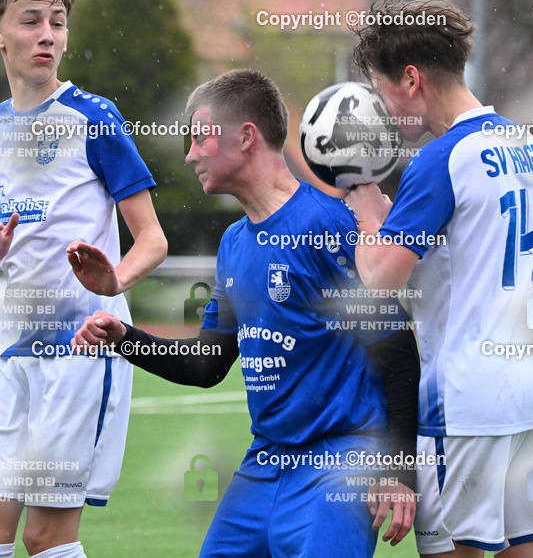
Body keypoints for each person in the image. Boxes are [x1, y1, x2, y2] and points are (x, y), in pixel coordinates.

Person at [72, 68, 421, 557]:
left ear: (246, 136)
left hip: (340, 462)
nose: (191, 154)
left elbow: (398, 350)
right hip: (264, 463)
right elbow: (207, 363)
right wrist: (123, 338)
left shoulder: (327, 225)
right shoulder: (234, 243)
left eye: (201, 138)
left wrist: (399, 471)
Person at [346, 0, 533, 557]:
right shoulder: (528, 146)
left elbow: (379, 280)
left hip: (468, 401)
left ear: (412, 79)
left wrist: (365, 212)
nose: (385, 112)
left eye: (382, 92)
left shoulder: (439, 160)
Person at [0, 0, 168, 558]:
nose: (47, 35)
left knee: (45, 537)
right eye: (31, 21)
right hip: (12, 350)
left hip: (82, 349)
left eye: (57, 23)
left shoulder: (94, 117)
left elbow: (152, 240)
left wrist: (115, 281)